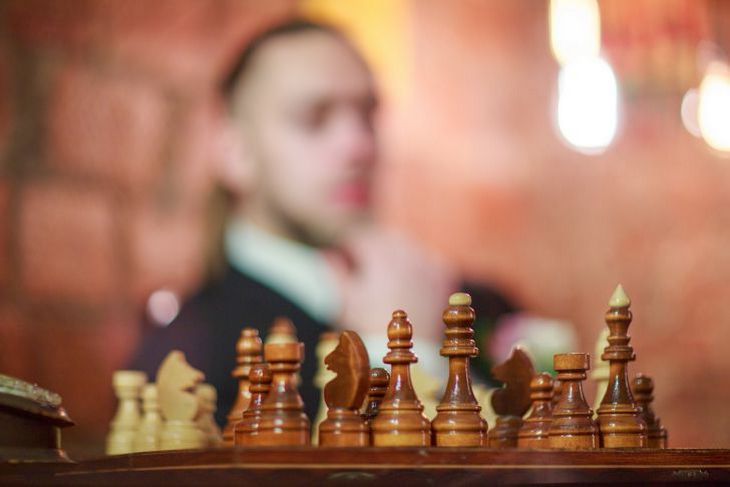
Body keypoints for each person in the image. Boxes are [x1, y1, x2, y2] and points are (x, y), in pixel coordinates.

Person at [130, 19, 516, 425]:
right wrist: (398, 354)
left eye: (368, 115)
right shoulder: (189, 363)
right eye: (313, 119)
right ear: (234, 149)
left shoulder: (476, 302)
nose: (359, 146)